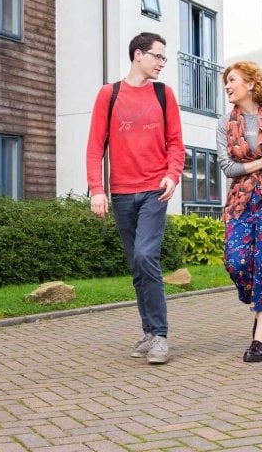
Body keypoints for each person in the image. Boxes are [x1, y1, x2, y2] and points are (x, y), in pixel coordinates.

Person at [86, 32, 184, 365]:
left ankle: (160, 335)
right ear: (138, 55)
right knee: (137, 266)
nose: (161, 63)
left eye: (163, 59)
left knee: (146, 255)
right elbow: (95, 146)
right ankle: (148, 331)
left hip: (155, 190)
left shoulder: (163, 94)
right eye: (157, 56)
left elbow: (176, 143)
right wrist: (96, 189)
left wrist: (172, 175)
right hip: (122, 194)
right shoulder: (109, 95)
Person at [217, 61, 262, 362]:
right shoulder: (224, 122)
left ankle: (261, 337)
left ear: (250, 83)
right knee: (236, 262)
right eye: (226, 82)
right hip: (240, 199)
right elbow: (228, 167)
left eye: (232, 80)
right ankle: (260, 304)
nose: (227, 86)